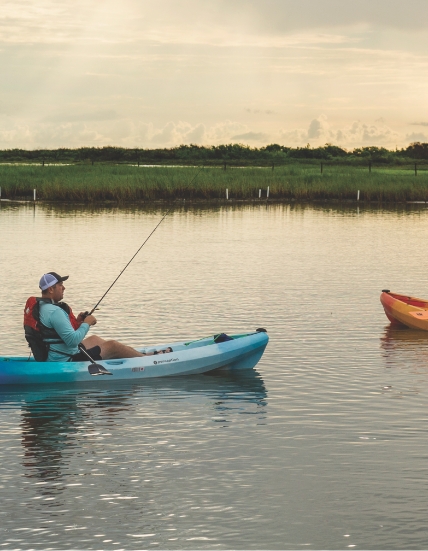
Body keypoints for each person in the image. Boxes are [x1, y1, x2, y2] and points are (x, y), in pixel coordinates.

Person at [37, 272, 172, 362]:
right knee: (113, 346)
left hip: (60, 353)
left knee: (95, 339)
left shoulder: (43, 307)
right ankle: (150, 361)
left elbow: (57, 333)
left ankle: (143, 356)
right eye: (60, 285)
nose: (64, 288)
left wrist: (78, 322)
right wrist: (87, 323)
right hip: (68, 359)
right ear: (51, 289)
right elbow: (72, 341)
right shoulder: (55, 311)